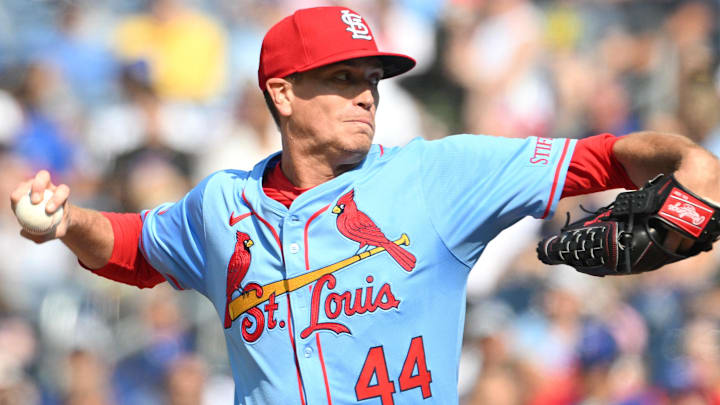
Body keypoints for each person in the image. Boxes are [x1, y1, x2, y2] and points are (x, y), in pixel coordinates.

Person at [10, 6, 720, 405]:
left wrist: (695, 166)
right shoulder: (220, 206)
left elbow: (603, 156)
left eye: (372, 79)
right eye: (343, 77)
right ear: (282, 93)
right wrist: (67, 222)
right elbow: (134, 247)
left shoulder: (441, 175)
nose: (366, 94)